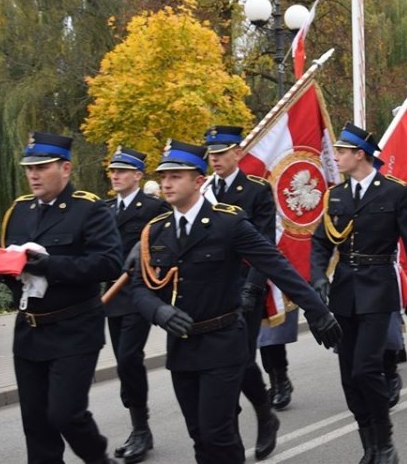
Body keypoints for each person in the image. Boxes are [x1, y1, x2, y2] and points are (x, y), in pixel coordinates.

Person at [131, 139, 341, 464]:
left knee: (218, 433)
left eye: (176, 176)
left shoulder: (228, 223)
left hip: (223, 343)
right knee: (198, 435)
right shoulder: (157, 231)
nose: (167, 183)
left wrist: (318, 311)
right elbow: (139, 288)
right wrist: (158, 311)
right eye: (164, 177)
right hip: (182, 347)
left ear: (198, 181)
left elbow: (276, 264)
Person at [310, 123, 407, 463]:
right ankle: (369, 444)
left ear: (359, 154)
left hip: (379, 289)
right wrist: (318, 276)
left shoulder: (394, 192)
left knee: (366, 369)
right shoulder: (336, 195)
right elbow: (320, 242)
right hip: (344, 291)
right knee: (348, 376)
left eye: (341, 152)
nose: (336, 157)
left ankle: (385, 441)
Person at [0, 132, 123, 464]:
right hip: (30, 330)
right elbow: (10, 264)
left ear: (65, 168)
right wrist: (6, 272)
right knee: (36, 423)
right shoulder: (19, 211)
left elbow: (109, 263)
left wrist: (49, 265)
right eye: (29, 168)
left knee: (65, 413)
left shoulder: (89, 209)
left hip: (74, 328)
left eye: (42, 167)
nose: (33, 175)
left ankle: (99, 459)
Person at [200, 125, 282, 459]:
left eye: (221, 153)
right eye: (211, 154)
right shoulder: (203, 190)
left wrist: (252, 287)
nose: (215, 159)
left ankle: (264, 415)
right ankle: (229, 431)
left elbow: (264, 243)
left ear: (237, 153)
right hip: (210, 289)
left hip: (245, 287)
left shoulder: (256, 191)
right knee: (218, 362)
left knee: (242, 360)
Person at [104, 146, 169, 463]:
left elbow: (167, 243)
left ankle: (141, 430)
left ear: (138, 175)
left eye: (122, 171)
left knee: (129, 358)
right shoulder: (104, 209)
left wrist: (145, 256)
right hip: (111, 298)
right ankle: (138, 425)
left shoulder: (154, 207)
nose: (115, 176)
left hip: (139, 296)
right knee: (123, 362)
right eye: (112, 171)